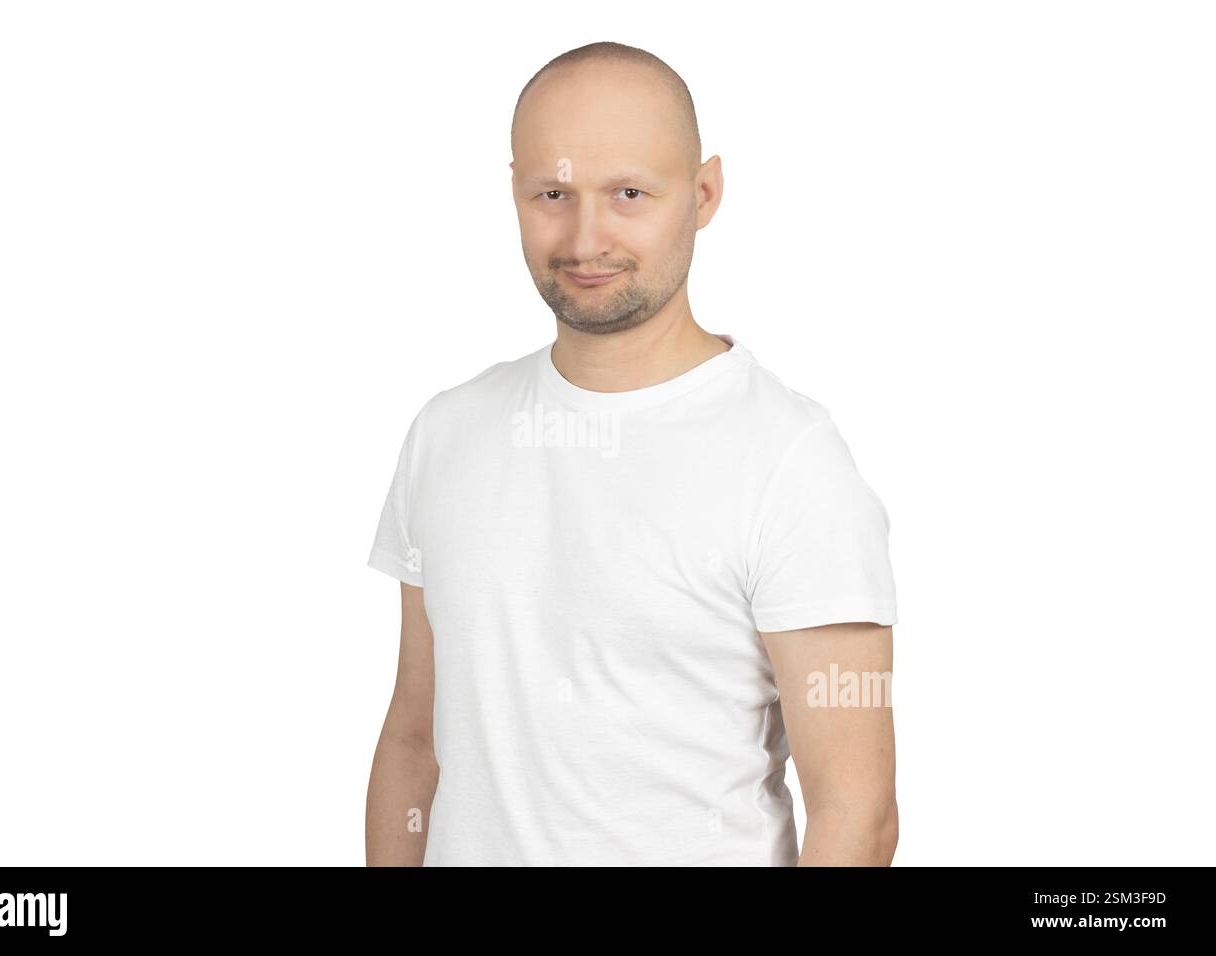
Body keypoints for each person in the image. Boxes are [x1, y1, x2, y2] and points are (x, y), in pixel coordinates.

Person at [365, 41, 898, 866]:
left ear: (704, 192)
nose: (586, 238)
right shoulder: (447, 433)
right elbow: (411, 741)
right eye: (553, 193)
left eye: (628, 193)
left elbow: (856, 817)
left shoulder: (791, 463)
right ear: (515, 191)